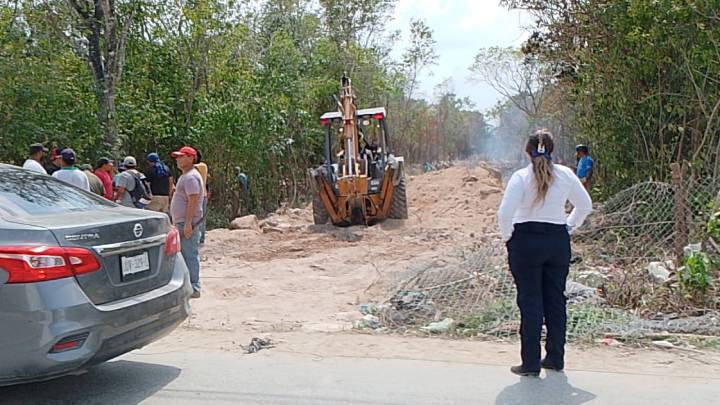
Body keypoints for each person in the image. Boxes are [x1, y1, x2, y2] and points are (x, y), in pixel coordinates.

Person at [497, 130, 592, 377]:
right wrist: (569, 227)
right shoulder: (566, 174)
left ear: (527, 152)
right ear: (552, 150)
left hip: (526, 241)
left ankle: (530, 362)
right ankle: (555, 358)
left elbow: (504, 214)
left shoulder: (520, 177)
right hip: (557, 241)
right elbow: (585, 206)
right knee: (555, 300)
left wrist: (509, 237)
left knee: (530, 302)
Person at [170, 146, 204, 299]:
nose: (178, 159)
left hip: (187, 223)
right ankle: (189, 285)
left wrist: (189, 223)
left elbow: (193, 200)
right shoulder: (187, 176)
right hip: (183, 222)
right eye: (177, 157)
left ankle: (194, 287)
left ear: (191, 158)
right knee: (185, 254)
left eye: (181, 157)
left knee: (189, 254)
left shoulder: (190, 177)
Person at [194, 150, 209, 244]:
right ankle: (202, 237)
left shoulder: (195, 167)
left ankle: (196, 237)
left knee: (195, 216)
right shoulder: (204, 166)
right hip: (204, 194)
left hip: (196, 195)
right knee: (202, 217)